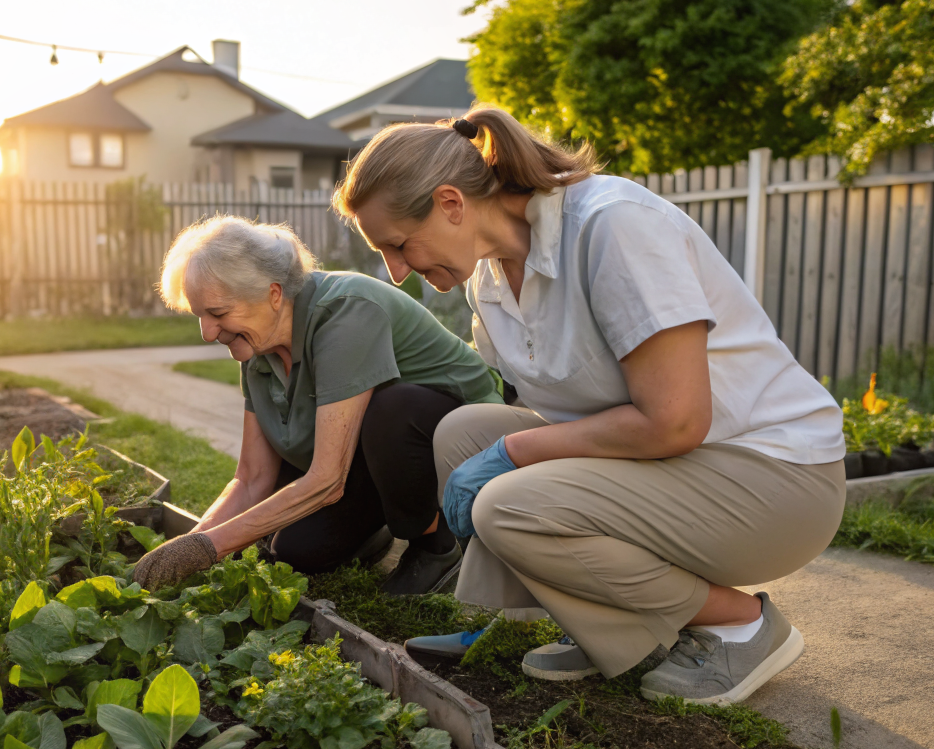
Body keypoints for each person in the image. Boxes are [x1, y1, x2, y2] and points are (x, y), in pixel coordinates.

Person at [331, 107, 846, 706]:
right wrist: (504, 449)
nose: (395, 274)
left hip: (773, 478)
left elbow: (676, 420)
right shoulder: (489, 279)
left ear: (451, 204)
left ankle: (740, 623)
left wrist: (515, 452)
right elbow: (559, 410)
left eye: (398, 245)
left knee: (508, 502)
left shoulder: (611, 225)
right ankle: (587, 620)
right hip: (684, 468)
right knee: (462, 433)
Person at [128, 215, 504, 595]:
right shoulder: (256, 349)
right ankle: (377, 530)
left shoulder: (345, 313)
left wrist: (211, 549)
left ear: (273, 294)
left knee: (392, 408)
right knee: (295, 551)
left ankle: (434, 546)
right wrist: (184, 547)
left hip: (462, 437)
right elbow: (252, 478)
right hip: (371, 458)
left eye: (219, 314)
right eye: (200, 316)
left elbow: (326, 480)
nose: (208, 333)